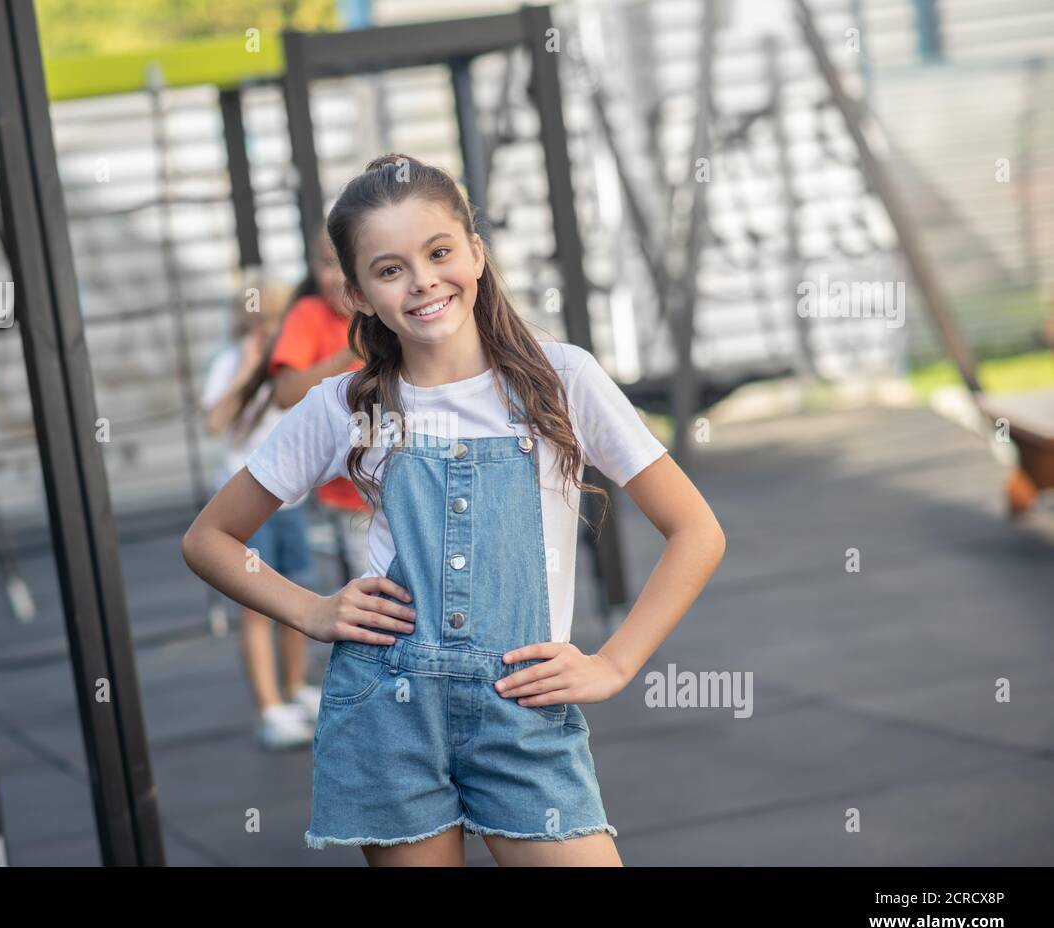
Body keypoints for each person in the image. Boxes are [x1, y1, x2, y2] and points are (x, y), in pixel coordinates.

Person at [182, 154, 726, 867]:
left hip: (521, 709)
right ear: (357, 294)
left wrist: (615, 664)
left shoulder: (562, 379)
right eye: (389, 269)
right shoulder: (342, 407)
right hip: (387, 715)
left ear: (475, 251)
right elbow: (209, 538)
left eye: (438, 252)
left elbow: (697, 532)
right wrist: (311, 610)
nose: (422, 281)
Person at [200, 280, 322, 750]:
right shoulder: (233, 360)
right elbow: (214, 421)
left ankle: (294, 689)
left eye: (277, 322)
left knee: (296, 593)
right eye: (262, 323)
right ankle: (269, 707)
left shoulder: (289, 362)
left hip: (289, 500)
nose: (271, 331)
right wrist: (248, 368)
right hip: (247, 503)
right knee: (257, 607)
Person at [267, 227, 371, 581]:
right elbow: (285, 393)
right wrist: (347, 353)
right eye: (327, 264)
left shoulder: (387, 304)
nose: (338, 277)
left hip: (411, 475)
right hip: (351, 494)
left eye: (345, 264)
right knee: (376, 591)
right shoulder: (310, 315)